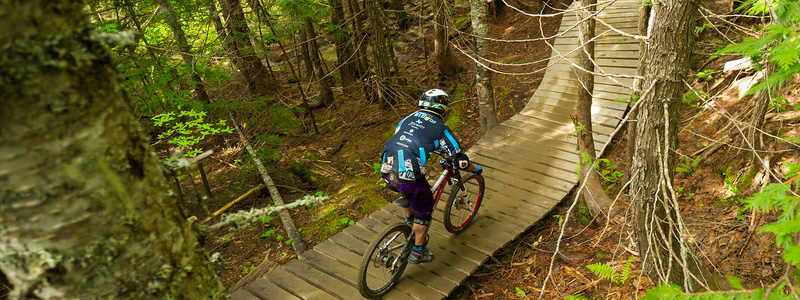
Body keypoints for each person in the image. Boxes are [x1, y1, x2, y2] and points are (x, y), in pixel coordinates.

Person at [380, 88, 483, 264]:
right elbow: (461, 162)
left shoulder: (408, 118)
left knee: (409, 188)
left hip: (386, 168)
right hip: (409, 175)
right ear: (442, 107)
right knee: (425, 209)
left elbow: (403, 137)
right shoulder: (440, 127)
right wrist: (475, 169)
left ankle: (409, 218)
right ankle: (418, 251)